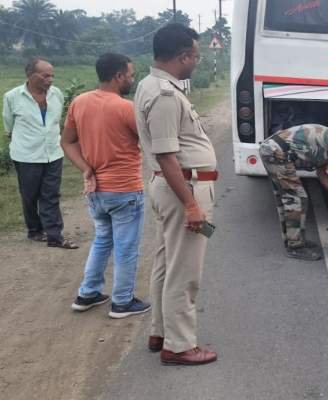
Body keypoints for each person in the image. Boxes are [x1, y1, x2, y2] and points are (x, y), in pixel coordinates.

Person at [134, 23, 218, 366]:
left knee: (167, 262)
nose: (196, 61)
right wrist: (191, 204)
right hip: (182, 187)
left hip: (175, 186)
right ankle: (180, 345)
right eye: (196, 55)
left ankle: (160, 331)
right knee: (185, 270)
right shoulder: (165, 95)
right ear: (183, 55)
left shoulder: (151, 85)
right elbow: (168, 156)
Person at [61, 53, 150, 318]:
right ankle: (122, 301)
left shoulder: (79, 102)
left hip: (95, 190)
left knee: (102, 240)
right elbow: (150, 142)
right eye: (131, 75)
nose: (132, 80)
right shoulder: (125, 108)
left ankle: (87, 293)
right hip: (124, 189)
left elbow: (67, 141)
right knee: (126, 247)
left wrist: (85, 167)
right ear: (118, 76)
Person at [2, 58, 77, 249]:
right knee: (29, 195)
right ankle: (34, 230)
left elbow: (56, 121)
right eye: (45, 75)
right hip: (26, 155)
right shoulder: (12, 97)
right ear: (30, 75)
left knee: (51, 195)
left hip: (53, 152)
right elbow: (8, 125)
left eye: (52, 75)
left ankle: (54, 235)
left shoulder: (56, 94)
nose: (50, 79)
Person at [259, 124, 328, 261]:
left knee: (287, 197)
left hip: (272, 150)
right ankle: (295, 247)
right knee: (297, 199)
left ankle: (292, 240)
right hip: (276, 152)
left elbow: (321, 174)